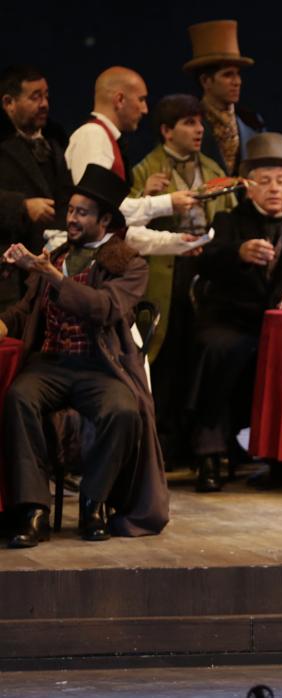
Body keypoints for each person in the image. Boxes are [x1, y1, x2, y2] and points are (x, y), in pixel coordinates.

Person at [1, 164, 167, 546]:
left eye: (82, 213)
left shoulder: (129, 264)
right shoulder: (57, 255)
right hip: (52, 363)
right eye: (71, 210)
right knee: (18, 397)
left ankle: (95, 501)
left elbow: (104, 308)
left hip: (100, 365)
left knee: (124, 410)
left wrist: (53, 277)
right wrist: (3, 325)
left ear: (105, 220)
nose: (71, 219)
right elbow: (27, 309)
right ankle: (34, 509)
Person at [188, 133, 282, 492]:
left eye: (281, 181)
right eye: (264, 181)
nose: (274, 189)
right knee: (217, 351)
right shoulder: (227, 221)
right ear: (249, 188)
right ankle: (210, 454)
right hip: (231, 322)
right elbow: (205, 263)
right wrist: (238, 252)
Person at [129, 93, 238, 471]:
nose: (199, 129)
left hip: (203, 275)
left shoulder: (211, 168)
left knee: (197, 356)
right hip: (163, 277)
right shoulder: (145, 170)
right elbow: (124, 224)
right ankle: (159, 444)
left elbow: (227, 218)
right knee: (163, 359)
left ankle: (199, 444)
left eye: (199, 122)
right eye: (189, 123)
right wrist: (146, 197)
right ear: (166, 130)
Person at [64, 67, 196, 226]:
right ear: (119, 100)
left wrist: (177, 242)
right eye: (141, 99)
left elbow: (113, 223)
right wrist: (168, 203)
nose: (145, 109)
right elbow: (98, 208)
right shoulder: (93, 135)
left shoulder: (103, 137)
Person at [0, 65, 71, 309]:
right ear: (9, 102)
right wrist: (21, 206)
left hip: (50, 267)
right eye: (35, 97)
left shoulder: (55, 142)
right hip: (9, 273)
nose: (44, 104)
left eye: (46, 95)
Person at [184, 20, 264, 176]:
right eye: (228, 75)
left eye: (238, 74)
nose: (237, 82)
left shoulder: (253, 122)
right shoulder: (186, 123)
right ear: (205, 81)